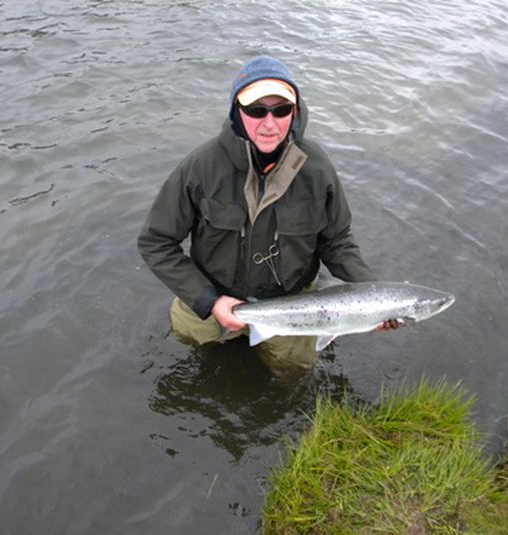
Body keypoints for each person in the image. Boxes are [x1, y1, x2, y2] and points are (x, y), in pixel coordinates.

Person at [138, 55, 400, 372]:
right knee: (190, 354)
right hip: (212, 295)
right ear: (237, 111)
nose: (269, 123)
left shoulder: (317, 169)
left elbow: (337, 242)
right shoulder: (200, 167)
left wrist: (374, 299)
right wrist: (209, 301)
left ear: (296, 112)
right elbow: (155, 242)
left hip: (293, 304)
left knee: (293, 371)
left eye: (281, 110)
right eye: (256, 110)